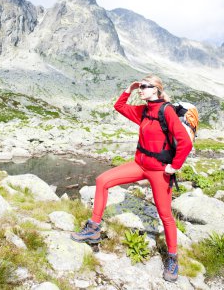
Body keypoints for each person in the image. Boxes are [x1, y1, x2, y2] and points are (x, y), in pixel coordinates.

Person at [71, 74, 192, 282]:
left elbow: (185, 143)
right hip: (139, 165)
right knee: (102, 180)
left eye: (145, 87)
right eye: (141, 87)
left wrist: (175, 166)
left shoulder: (167, 111)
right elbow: (119, 106)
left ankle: (172, 258)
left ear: (156, 89)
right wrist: (129, 88)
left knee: (165, 215)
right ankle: (93, 229)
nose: (141, 90)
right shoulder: (144, 110)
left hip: (159, 171)